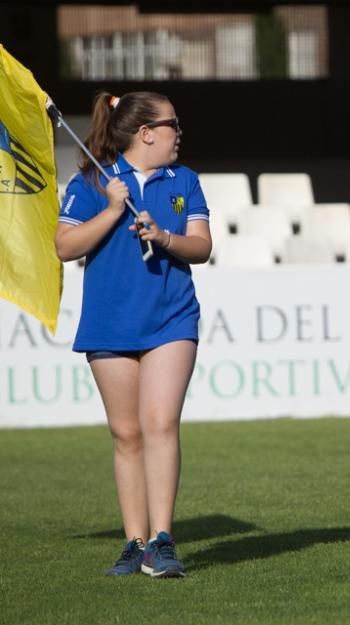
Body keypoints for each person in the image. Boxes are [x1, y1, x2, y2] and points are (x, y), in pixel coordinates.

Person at [55, 91, 212, 577]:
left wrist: (164, 236)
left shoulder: (184, 180)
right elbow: (64, 247)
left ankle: (163, 541)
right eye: (173, 124)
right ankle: (134, 543)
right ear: (146, 132)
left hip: (171, 319)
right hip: (109, 323)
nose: (179, 132)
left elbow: (201, 246)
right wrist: (110, 210)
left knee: (160, 422)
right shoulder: (90, 182)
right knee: (126, 434)